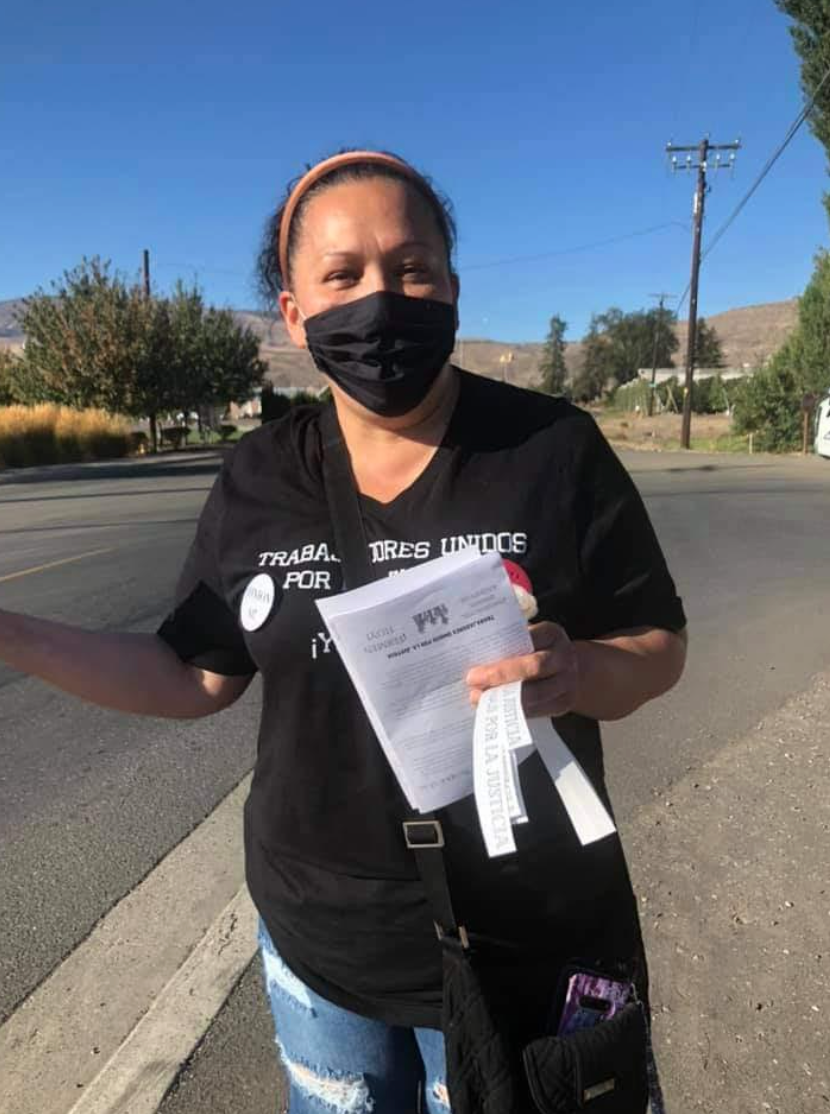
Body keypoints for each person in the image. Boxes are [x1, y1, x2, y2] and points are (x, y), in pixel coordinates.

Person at [0, 149, 687, 1113]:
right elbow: (189, 674)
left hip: (523, 935)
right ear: (294, 312)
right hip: (320, 937)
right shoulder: (258, 476)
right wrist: (9, 635)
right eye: (342, 276)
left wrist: (577, 674)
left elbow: (658, 643)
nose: (381, 300)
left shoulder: (551, 449)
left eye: (411, 270)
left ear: (449, 286)